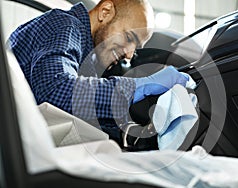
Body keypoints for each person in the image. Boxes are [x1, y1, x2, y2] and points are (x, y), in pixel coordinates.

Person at [8, 0, 189, 143]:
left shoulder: (86, 60)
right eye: (128, 37)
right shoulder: (66, 25)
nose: (129, 54)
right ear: (105, 12)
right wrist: (137, 87)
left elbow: (79, 114)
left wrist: (131, 132)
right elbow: (57, 90)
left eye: (136, 48)